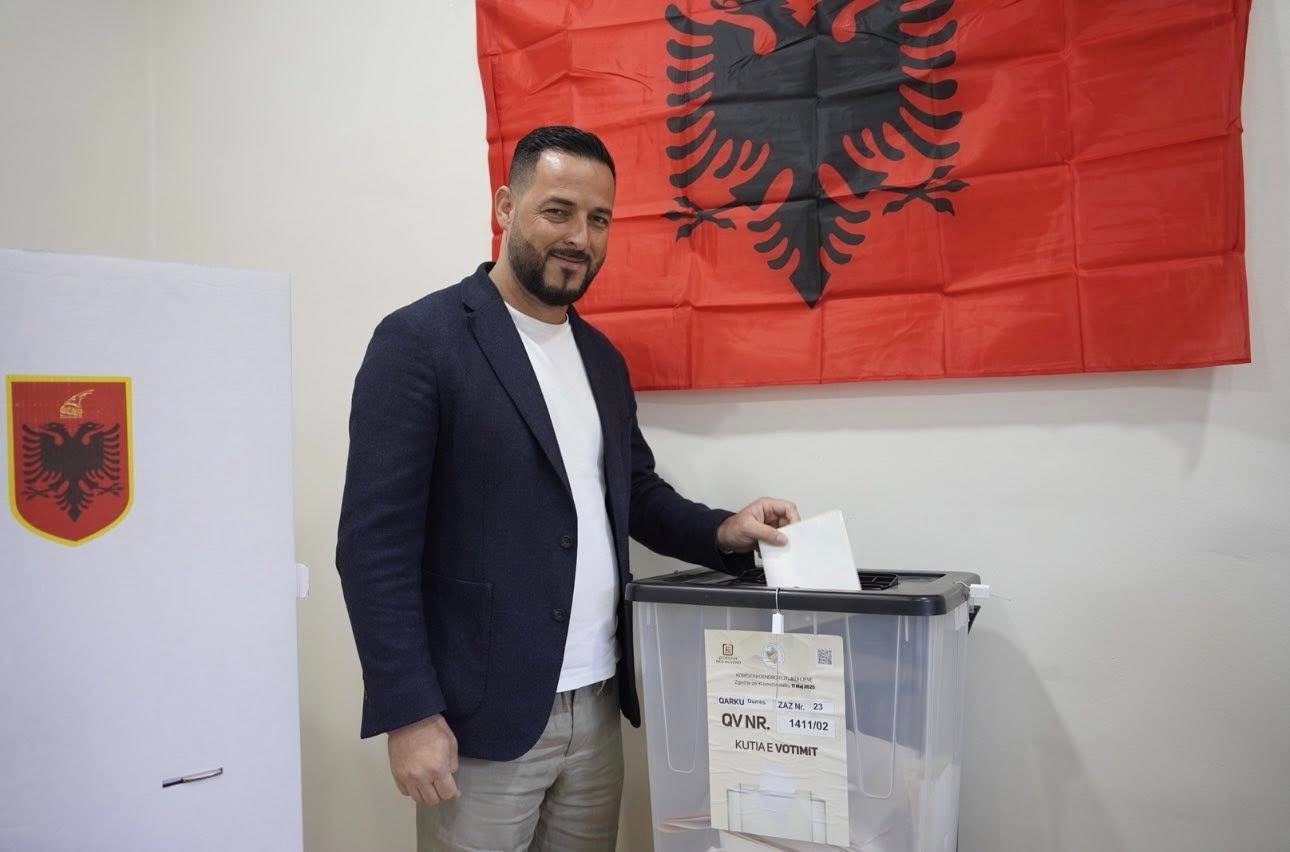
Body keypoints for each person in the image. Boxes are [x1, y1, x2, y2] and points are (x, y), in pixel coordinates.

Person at [336, 124, 799, 852]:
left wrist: (722, 531)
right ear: (504, 206)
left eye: (599, 218)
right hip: (477, 719)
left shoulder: (601, 359)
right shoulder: (420, 342)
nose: (580, 237)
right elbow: (373, 548)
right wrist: (409, 713)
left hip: (599, 704)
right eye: (558, 211)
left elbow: (633, 490)